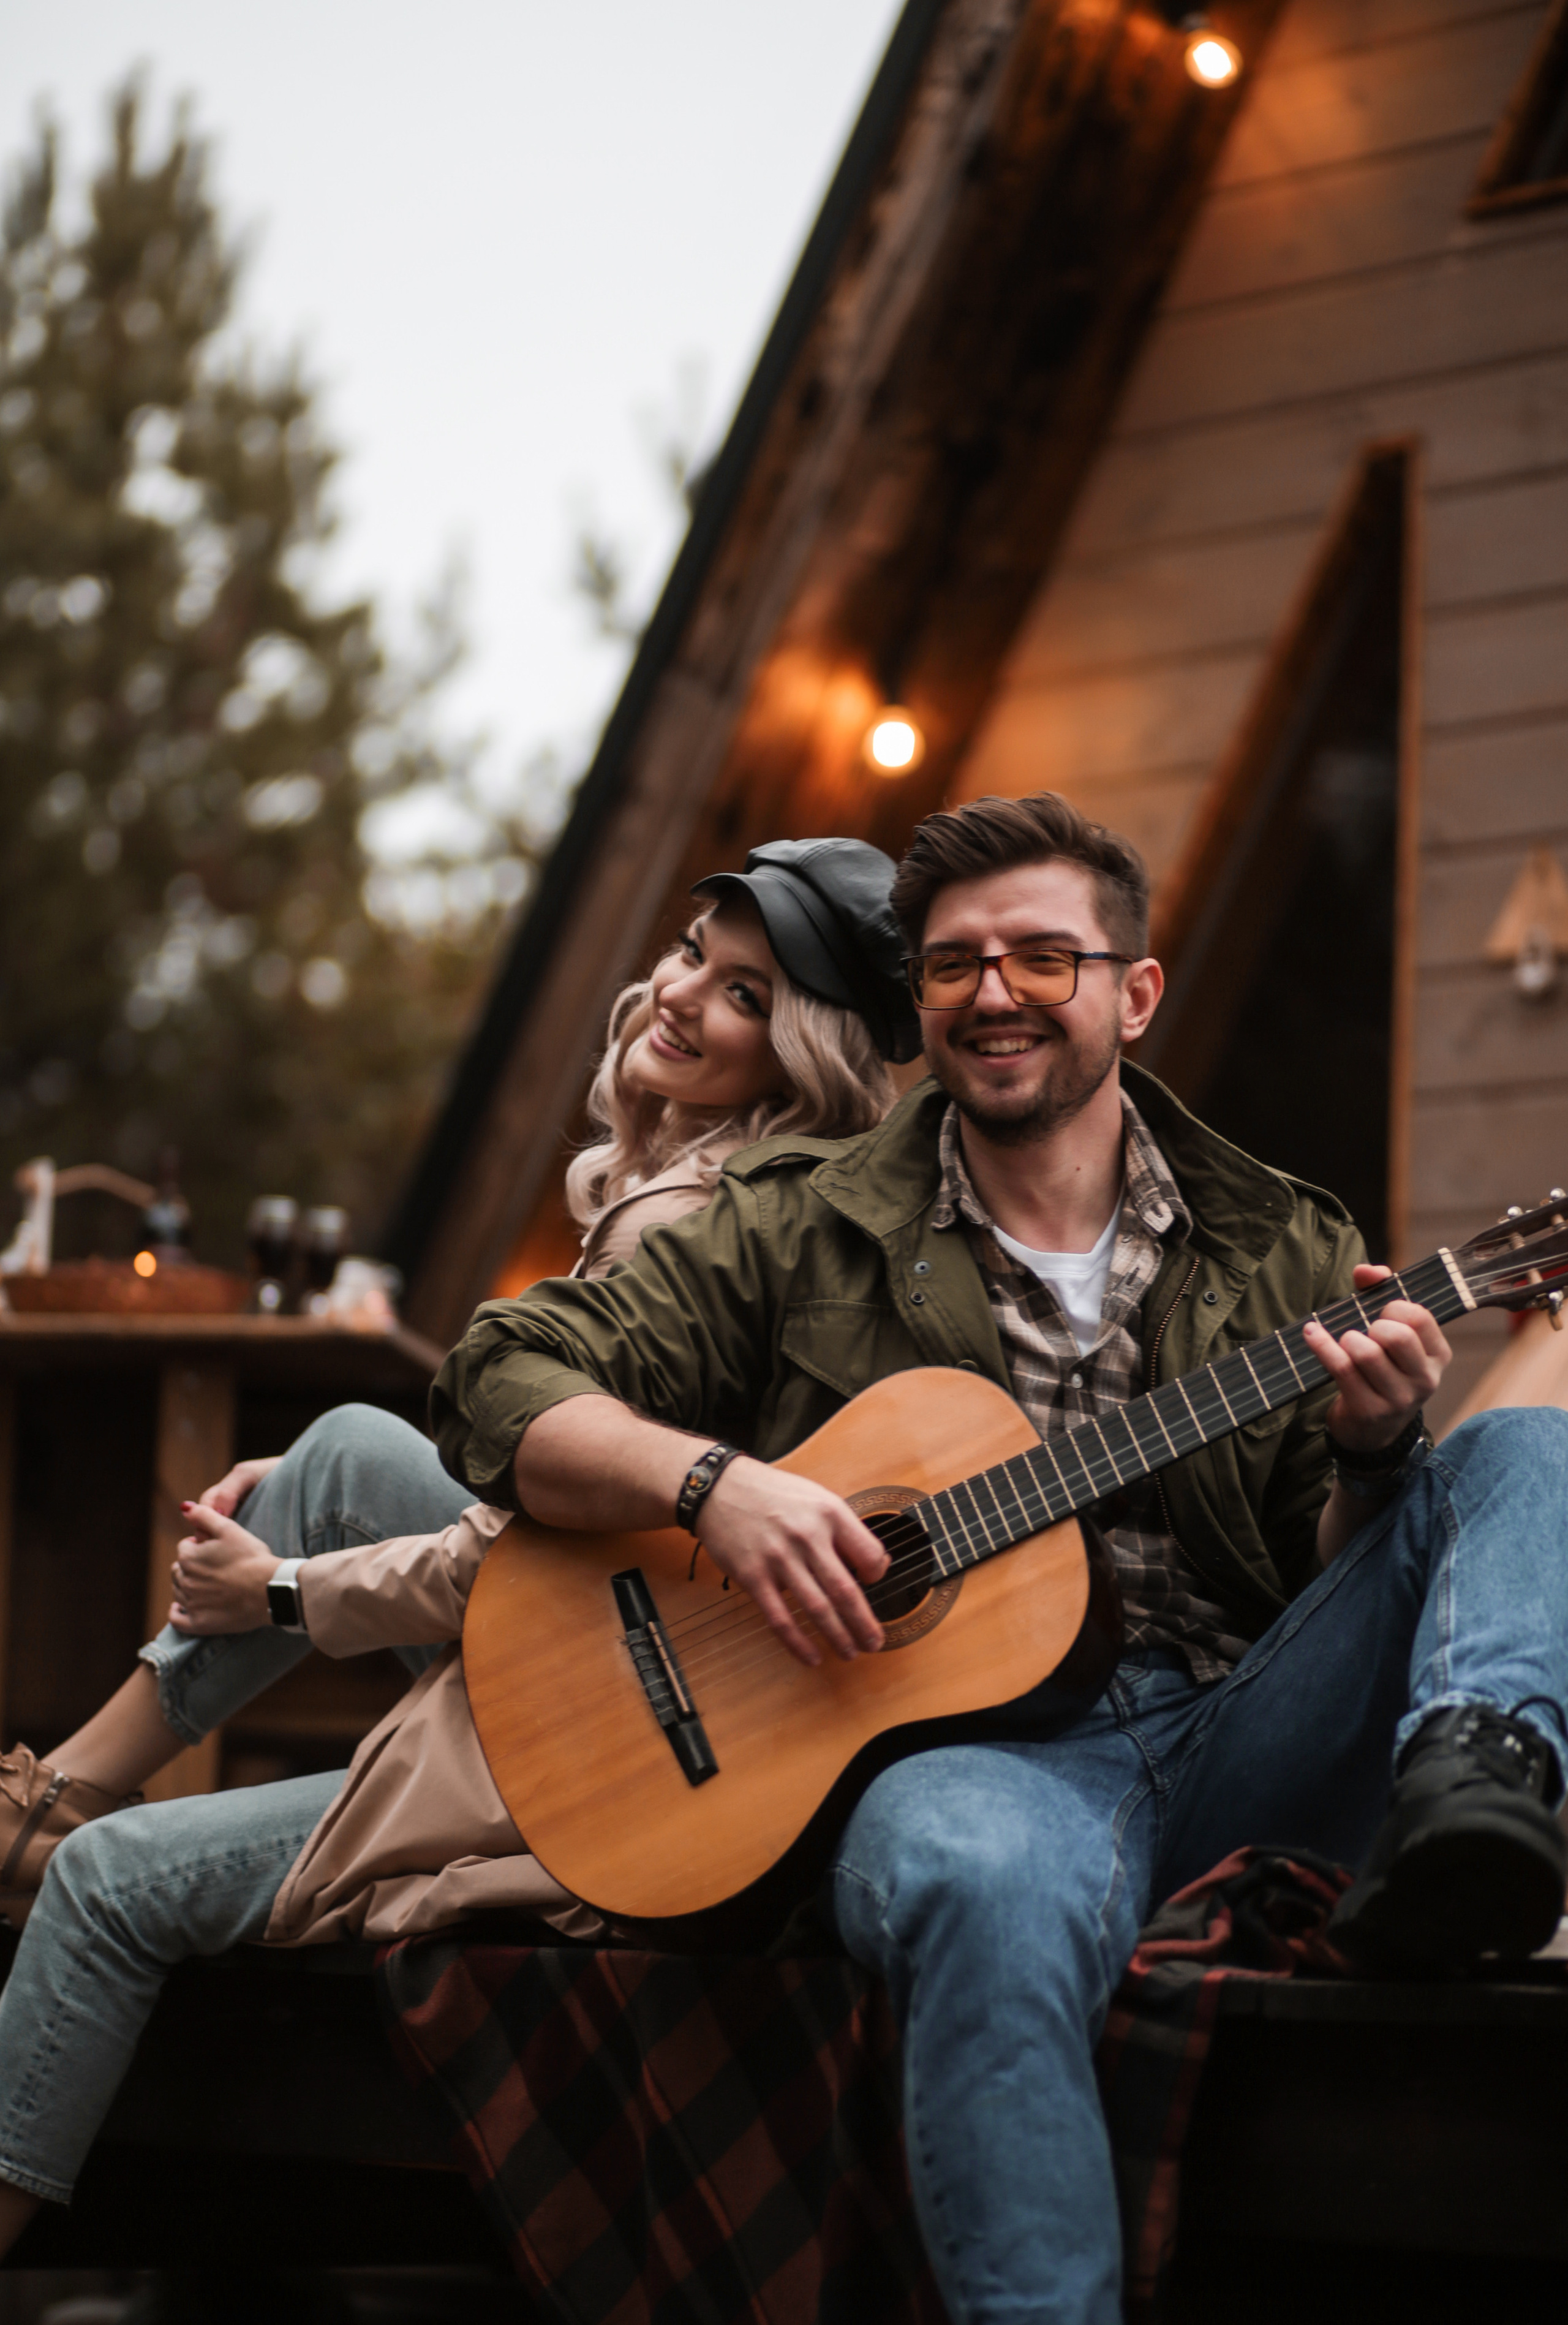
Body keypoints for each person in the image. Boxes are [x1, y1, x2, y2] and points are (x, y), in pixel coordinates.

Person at [415, 790, 1568, 2325]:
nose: (994, 994)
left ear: (1130, 992)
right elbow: (498, 1372)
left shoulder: (1282, 1238)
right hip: (978, 1764)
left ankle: (1474, 1790)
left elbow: (1324, 1568)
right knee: (966, 1874)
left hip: (1239, 1717)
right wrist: (717, 1489)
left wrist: (1370, 1451)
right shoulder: (795, 1221)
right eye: (953, 965)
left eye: (1041, 956)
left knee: (1522, 1449)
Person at [0, 837, 921, 2251]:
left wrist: (286, 1585)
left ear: (800, 1051)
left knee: (109, 1886)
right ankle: (60, 1784)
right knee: (347, 1447)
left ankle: (56, 1828)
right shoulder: (759, 1185)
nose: (682, 995)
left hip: (614, 1738)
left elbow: (518, 1565)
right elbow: (553, 1537)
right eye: (695, 952)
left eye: (745, 993)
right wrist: (305, 1531)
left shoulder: (696, 1220)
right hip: (644, 1636)